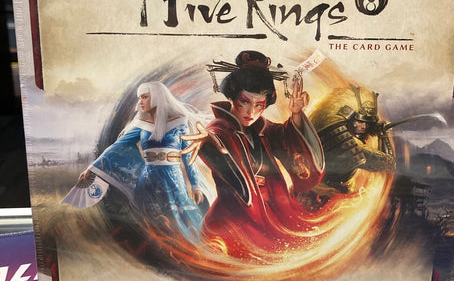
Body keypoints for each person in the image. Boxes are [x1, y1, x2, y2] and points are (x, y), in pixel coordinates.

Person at [181, 51, 325, 257]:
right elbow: (217, 140)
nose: (251, 112)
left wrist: (296, 114)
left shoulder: (263, 128)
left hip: (272, 209)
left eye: (259, 105)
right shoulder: (220, 128)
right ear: (232, 97)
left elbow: (287, 140)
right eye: (244, 102)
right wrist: (211, 144)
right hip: (237, 214)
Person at [78, 81, 208, 242]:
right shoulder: (141, 125)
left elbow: (188, 155)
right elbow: (118, 146)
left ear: (157, 97)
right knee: (149, 224)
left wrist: (195, 185)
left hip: (174, 180)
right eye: (139, 97)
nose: (140, 102)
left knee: (181, 223)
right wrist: (92, 167)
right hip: (148, 181)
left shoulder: (179, 122)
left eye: (144, 97)